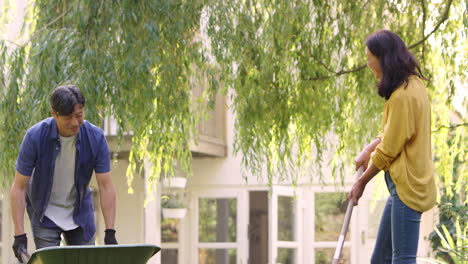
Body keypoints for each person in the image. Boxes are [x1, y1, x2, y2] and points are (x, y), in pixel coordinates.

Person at [347, 30, 437, 264]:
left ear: (383, 58)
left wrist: (361, 181)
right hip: (402, 186)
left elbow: (389, 150)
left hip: (408, 187)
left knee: (402, 260)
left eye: (369, 59)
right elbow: (396, 132)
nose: (368, 65)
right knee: (381, 260)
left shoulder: (401, 97)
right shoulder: (414, 86)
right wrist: (370, 147)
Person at [10, 85, 118, 263]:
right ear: (54, 113)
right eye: (68, 117)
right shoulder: (35, 137)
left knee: (85, 261)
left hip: (79, 212)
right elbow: (19, 187)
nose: (75, 123)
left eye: (79, 115)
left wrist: (110, 231)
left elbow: (105, 186)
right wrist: (19, 235)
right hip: (44, 212)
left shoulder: (96, 138)